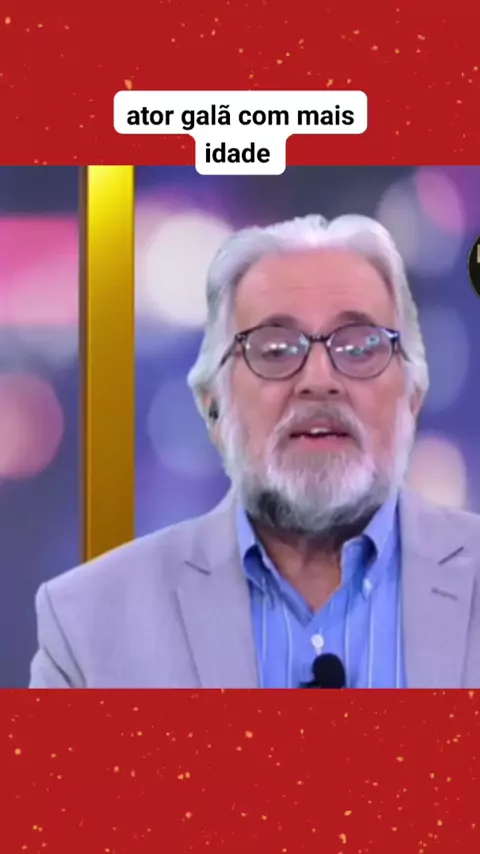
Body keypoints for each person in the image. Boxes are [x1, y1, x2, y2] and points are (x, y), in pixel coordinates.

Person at [29, 213, 480, 689]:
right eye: (276, 349)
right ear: (214, 408)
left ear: (412, 399)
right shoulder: (85, 625)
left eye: (359, 348)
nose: (319, 380)